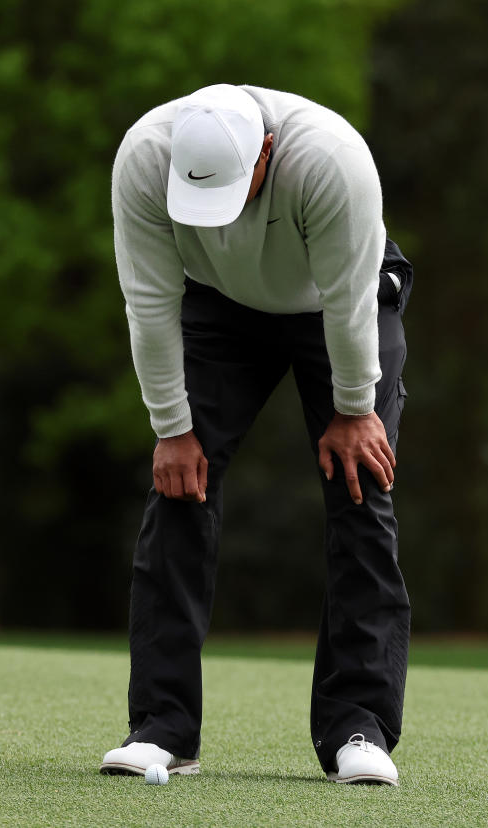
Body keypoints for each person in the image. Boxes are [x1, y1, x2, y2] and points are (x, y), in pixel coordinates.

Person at [99, 84, 413, 786]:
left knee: (360, 486)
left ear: (266, 152)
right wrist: (171, 429)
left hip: (339, 302)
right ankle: (163, 727)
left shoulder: (332, 161)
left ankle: (357, 728)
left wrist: (354, 408)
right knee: (178, 487)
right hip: (219, 304)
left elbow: (351, 303)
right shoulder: (145, 159)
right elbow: (149, 303)